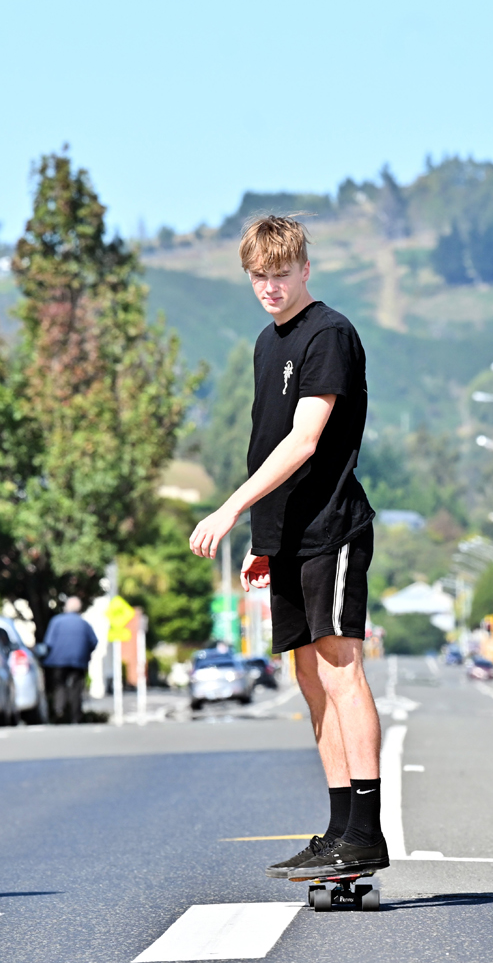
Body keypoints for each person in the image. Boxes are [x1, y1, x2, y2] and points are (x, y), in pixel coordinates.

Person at [189, 215, 384, 880]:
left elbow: (304, 442)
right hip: (290, 537)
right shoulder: (265, 344)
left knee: (338, 668)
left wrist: (229, 506)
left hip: (332, 528)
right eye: (257, 277)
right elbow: (267, 442)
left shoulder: (327, 334)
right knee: (306, 678)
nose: (269, 288)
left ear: (305, 270)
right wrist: (262, 539)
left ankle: (366, 828)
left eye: (279, 274)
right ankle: (336, 829)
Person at [41, 596, 98, 724]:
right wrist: (86, 653)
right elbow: (94, 642)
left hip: (57, 661)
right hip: (78, 661)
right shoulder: (84, 624)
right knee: (76, 688)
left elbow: (48, 643)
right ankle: (75, 716)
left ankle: (59, 710)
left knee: (59, 685)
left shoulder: (56, 621)